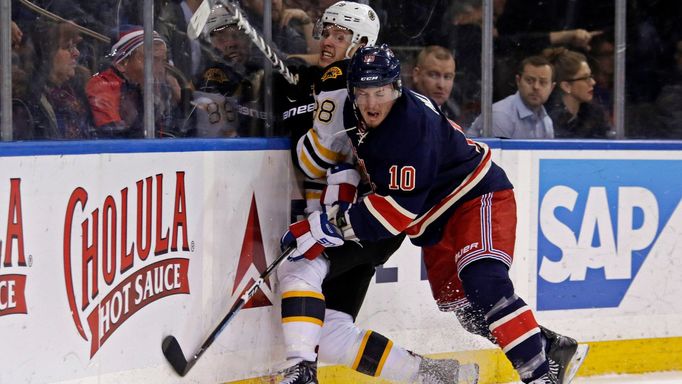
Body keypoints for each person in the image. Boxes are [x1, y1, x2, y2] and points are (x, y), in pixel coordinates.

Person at [283, 44, 590, 384]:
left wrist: (330, 224)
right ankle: (548, 344)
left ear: (396, 88)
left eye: (380, 92)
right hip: (431, 223)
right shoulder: (358, 115)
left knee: (484, 282)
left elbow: (395, 214)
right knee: (467, 311)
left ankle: (539, 376)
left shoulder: (409, 127)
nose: (372, 103)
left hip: (474, 198)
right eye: (364, 93)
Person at [277, 2, 478, 384]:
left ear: (361, 44)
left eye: (341, 36)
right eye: (327, 32)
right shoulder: (360, 84)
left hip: (366, 218)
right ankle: (438, 376)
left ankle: (300, 373)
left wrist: (314, 109)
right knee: (332, 333)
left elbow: (313, 162)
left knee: (297, 267)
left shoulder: (348, 85)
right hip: (374, 223)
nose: (328, 41)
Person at [86, 26, 180, 138]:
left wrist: (177, 102)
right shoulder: (102, 86)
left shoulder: (150, 86)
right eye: (152, 60)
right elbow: (114, 140)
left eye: (162, 61)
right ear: (122, 63)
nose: (160, 69)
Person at [13, 19, 94, 140]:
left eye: (75, 46)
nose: (76, 53)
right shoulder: (27, 103)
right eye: (67, 47)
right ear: (46, 55)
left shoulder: (75, 92)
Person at [467, 55, 555, 139]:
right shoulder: (501, 115)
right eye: (529, 80)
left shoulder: (546, 121)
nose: (536, 87)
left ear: (552, 87)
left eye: (543, 82)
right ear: (518, 81)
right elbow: (497, 154)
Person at [543, 47, 612, 139]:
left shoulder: (595, 114)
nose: (593, 82)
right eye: (585, 78)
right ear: (566, 86)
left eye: (591, 76)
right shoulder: (547, 119)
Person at [411, 45, 459, 120]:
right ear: (416, 75)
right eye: (433, 75)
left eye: (447, 77)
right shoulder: (401, 113)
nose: (441, 85)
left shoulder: (453, 114)